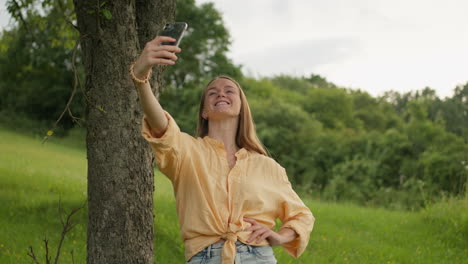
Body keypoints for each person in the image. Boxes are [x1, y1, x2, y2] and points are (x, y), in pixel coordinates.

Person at [130, 35, 315, 264]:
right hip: (204, 257)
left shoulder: (269, 167)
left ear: (240, 108)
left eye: (229, 91)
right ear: (204, 112)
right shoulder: (188, 151)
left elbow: (302, 215)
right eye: (212, 92)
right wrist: (141, 79)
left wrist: (279, 237)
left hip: (258, 257)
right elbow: (162, 126)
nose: (221, 94)